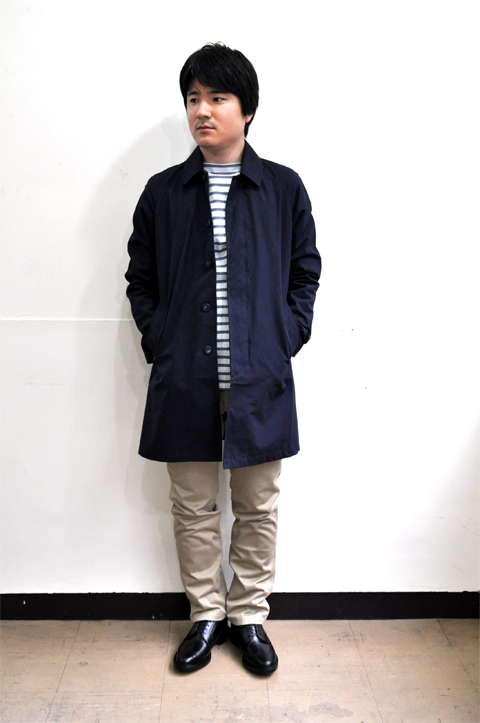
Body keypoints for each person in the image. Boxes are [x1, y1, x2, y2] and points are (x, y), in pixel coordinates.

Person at [125, 43, 321, 675]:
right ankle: (206, 614)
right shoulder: (164, 192)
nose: (202, 111)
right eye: (193, 99)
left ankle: (249, 616)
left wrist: (285, 334)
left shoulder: (282, 188)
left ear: (247, 109)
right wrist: (163, 340)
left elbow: (305, 272)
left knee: (259, 505)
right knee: (193, 506)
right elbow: (141, 280)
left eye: (217, 97)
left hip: (259, 377)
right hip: (186, 374)